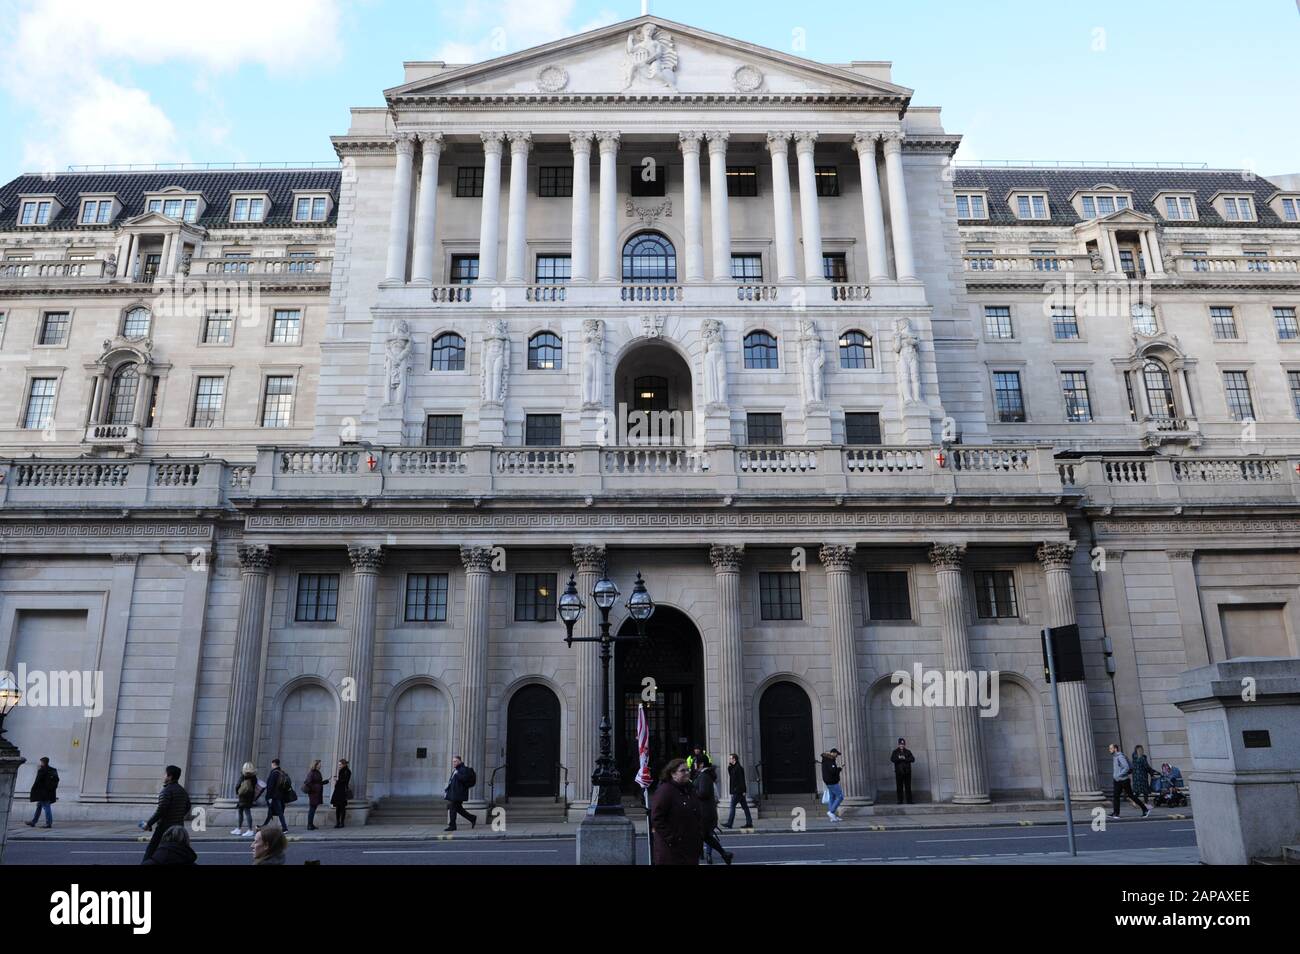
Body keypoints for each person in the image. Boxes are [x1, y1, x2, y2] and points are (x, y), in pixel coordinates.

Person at [650, 758, 703, 865]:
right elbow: (657, 818)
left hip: (689, 848)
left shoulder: (689, 789)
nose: (687, 773)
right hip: (672, 851)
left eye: (688, 770)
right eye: (683, 771)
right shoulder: (665, 791)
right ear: (672, 774)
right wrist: (673, 838)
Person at [142, 765, 192, 861]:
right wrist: (178, 815)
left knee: (151, 851)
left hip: (164, 828)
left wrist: (148, 824)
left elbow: (161, 810)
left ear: (170, 776)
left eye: (165, 774)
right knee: (177, 852)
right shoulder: (183, 791)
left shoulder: (166, 791)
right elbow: (188, 806)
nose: (163, 776)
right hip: (178, 828)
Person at [694, 762, 734, 865]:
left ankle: (705, 855)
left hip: (704, 813)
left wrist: (692, 791)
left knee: (700, 836)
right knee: (706, 836)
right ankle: (724, 854)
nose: (694, 766)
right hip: (707, 812)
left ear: (701, 764)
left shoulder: (703, 776)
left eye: (696, 764)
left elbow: (703, 793)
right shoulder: (705, 776)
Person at [1108, 743, 1151, 820]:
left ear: (1115, 749)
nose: (1109, 750)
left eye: (1111, 748)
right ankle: (1116, 813)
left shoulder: (1120, 756)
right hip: (1118, 780)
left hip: (1123, 780)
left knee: (1131, 796)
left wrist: (1119, 775)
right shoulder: (1115, 757)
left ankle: (1145, 809)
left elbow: (1126, 767)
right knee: (1116, 796)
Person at [444, 755, 477, 832]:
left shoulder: (463, 769)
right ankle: (472, 818)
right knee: (458, 809)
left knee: (452, 808)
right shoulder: (456, 770)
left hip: (458, 794)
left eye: (455, 761)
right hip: (454, 793)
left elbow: (464, 779)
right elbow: (452, 782)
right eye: (453, 761)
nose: (454, 763)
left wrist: (457, 774)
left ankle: (452, 825)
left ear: (460, 761)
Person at [721, 753, 753, 829]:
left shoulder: (739, 768)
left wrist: (744, 791)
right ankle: (749, 822)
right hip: (737, 791)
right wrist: (730, 767)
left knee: (732, 806)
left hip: (738, 791)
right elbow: (732, 778)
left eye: (730, 758)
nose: (729, 759)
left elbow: (742, 780)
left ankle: (729, 823)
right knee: (745, 807)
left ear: (734, 759)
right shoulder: (733, 767)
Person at [25, 756, 58, 829]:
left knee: (46, 807)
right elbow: (57, 780)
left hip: (42, 793)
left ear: (43, 762)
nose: (41, 763)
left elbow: (37, 782)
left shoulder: (42, 770)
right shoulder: (53, 770)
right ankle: (33, 822)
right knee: (39, 806)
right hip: (49, 792)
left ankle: (48, 823)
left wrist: (34, 790)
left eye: (41, 762)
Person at [232, 761, 260, 836]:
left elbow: (237, 785)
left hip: (243, 796)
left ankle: (244, 829)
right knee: (246, 812)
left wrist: (237, 792)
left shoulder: (243, 776)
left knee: (243, 812)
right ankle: (241, 829)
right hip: (250, 796)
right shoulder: (254, 777)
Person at [263, 758, 288, 833]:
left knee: (279, 812)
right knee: (271, 811)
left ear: (273, 764)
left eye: (271, 764)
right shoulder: (281, 772)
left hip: (274, 796)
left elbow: (270, 786)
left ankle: (285, 828)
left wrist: (268, 797)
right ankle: (264, 826)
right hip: (279, 795)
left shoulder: (274, 773)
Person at [821, 748, 844, 821]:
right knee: (840, 796)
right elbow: (833, 771)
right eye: (836, 754)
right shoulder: (830, 760)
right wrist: (839, 768)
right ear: (833, 753)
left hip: (829, 782)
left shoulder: (826, 759)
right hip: (832, 782)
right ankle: (831, 812)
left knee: (832, 797)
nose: (837, 756)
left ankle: (832, 816)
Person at [304, 759, 327, 830]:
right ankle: (309, 825)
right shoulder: (312, 772)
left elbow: (318, 782)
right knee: (312, 809)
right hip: (313, 794)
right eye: (319, 764)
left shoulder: (317, 772)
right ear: (316, 765)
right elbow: (308, 782)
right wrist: (315, 788)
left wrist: (324, 782)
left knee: (313, 809)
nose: (321, 765)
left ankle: (311, 824)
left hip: (316, 793)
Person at [891, 738, 916, 805]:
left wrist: (905, 758)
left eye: (903, 744)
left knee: (908, 786)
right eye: (900, 744)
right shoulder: (895, 752)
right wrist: (899, 758)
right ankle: (900, 800)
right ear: (898, 744)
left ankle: (909, 801)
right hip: (899, 772)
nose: (902, 745)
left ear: (904, 744)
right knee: (899, 787)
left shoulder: (908, 751)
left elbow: (913, 759)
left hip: (907, 772)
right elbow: (892, 759)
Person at [331, 759, 352, 829]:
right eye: (339, 764)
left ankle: (342, 822)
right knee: (338, 807)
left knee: (342, 807)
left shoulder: (347, 771)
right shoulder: (341, 771)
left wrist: (337, 780)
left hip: (342, 791)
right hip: (338, 791)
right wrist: (337, 780)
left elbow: (345, 781)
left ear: (344, 764)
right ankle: (337, 822)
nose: (339, 766)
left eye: (340, 764)